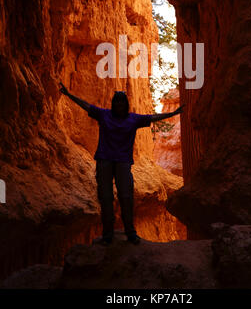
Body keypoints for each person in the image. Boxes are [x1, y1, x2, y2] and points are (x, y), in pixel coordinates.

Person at [59, 82, 185, 245]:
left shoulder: (133, 119)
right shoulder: (104, 115)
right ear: (113, 104)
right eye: (117, 102)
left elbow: (153, 117)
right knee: (105, 198)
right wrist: (69, 95)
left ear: (126, 104)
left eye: (122, 102)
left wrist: (173, 113)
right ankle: (108, 234)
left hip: (123, 163)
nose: (119, 105)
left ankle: (130, 232)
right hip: (104, 160)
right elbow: (86, 106)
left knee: (126, 196)